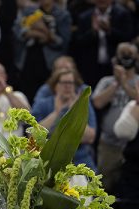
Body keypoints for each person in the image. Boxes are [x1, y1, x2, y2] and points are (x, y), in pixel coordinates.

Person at [92, 42, 139, 193]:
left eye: (129, 54)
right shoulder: (106, 81)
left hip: (134, 148)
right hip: (109, 145)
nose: (126, 57)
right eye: (123, 53)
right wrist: (116, 83)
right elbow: (97, 103)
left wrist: (124, 83)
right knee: (103, 187)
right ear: (115, 58)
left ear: (137, 57)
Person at [32, 68, 97, 170]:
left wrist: (75, 111)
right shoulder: (43, 104)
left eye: (71, 83)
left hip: (79, 159)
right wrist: (56, 113)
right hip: (48, 159)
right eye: (63, 83)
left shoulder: (84, 105)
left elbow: (90, 137)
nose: (67, 86)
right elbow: (33, 136)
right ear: (55, 85)